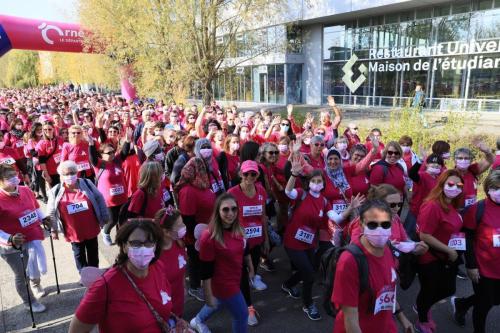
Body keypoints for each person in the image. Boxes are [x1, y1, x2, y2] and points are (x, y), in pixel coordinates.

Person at [69, 219, 180, 333]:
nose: (143, 249)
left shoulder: (158, 267)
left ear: (156, 245)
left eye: (149, 242)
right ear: (124, 246)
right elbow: (76, 330)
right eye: (135, 243)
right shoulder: (105, 286)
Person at [332, 200, 414, 333]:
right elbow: (350, 319)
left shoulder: (388, 248)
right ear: (361, 225)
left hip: (385, 326)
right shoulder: (349, 261)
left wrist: (401, 317)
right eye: (372, 224)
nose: (380, 230)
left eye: (385, 224)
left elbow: (387, 289)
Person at [190, 193, 253, 333]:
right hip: (223, 284)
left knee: (217, 302)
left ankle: (198, 320)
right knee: (242, 315)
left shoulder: (238, 227)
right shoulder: (209, 236)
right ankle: (198, 320)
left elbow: (245, 247)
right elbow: (206, 270)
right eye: (225, 209)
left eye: (234, 209)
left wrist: (251, 266)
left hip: (235, 277)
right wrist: (207, 294)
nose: (230, 213)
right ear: (218, 211)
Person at [415, 169, 465, 333]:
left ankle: (423, 305)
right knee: (429, 290)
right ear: (442, 184)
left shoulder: (452, 204)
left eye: (459, 185)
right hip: (431, 258)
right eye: (450, 184)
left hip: (448, 257)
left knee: (448, 289)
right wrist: (449, 250)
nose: (455, 188)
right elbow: (424, 234)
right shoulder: (432, 205)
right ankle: (422, 320)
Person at [451, 170, 500, 333]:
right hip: (484, 268)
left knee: (495, 299)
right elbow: (468, 237)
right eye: (496, 188)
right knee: (484, 304)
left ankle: (462, 304)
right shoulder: (477, 209)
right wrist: (471, 265)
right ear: (487, 189)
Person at [282, 164, 331, 321]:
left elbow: (336, 217)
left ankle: (288, 284)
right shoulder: (302, 194)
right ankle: (308, 304)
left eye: (319, 181)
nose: (317, 183)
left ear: (323, 184)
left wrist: (350, 208)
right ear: (308, 182)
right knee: (309, 275)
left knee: (308, 270)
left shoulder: (324, 201)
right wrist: (294, 175)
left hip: (309, 243)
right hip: (292, 242)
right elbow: (288, 191)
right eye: (314, 180)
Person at [0, 164, 48, 312]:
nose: (14, 179)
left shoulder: (26, 190)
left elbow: (36, 208)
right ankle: (29, 302)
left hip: (32, 235)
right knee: (21, 274)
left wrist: (44, 218)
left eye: (15, 175)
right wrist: (10, 239)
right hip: (11, 244)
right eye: (9, 177)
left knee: (34, 264)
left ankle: (35, 283)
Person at [47, 160, 108, 273]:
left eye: (72, 172)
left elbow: (99, 198)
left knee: (93, 251)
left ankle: (94, 273)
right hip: (73, 231)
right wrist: (53, 230)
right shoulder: (55, 191)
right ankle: (83, 274)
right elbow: (51, 212)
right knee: (78, 253)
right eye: (66, 174)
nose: (70, 176)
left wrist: (104, 216)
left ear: (77, 172)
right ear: (61, 176)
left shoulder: (87, 183)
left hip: (90, 227)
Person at [228, 160, 268, 326]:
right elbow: (227, 219)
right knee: (243, 275)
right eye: (246, 174)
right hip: (239, 244)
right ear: (240, 174)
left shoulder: (261, 191)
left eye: (253, 174)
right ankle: (248, 308)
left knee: (252, 270)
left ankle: (247, 286)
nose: (249, 177)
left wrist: (266, 238)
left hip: (256, 240)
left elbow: (263, 216)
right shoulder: (232, 193)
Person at [175, 152, 217, 303]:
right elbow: (187, 218)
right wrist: (194, 240)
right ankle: (194, 286)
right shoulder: (187, 191)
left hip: (208, 231)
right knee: (195, 261)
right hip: (196, 235)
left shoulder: (204, 183)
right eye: (198, 167)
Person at [88, 128, 131, 245]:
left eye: (113, 152)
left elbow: (124, 152)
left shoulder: (117, 161)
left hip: (122, 198)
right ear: (101, 155)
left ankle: (121, 239)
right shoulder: (99, 165)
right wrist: (91, 144)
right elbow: (92, 157)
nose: (112, 154)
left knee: (123, 220)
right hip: (109, 201)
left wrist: (127, 140)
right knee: (112, 220)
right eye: (109, 153)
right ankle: (106, 232)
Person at [155, 207, 187, 318]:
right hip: (163, 309)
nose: (183, 227)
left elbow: (181, 270)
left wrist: (183, 287)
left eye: (182, 223)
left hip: (179, 302)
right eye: (179, 226)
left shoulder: (179, 243)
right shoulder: (154, 256)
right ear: (166, 232)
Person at [453, 143, 493, 208]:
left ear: (471, 160)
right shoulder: (450, 175)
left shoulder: (472, 170)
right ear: (455, 160)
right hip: (457, 210)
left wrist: (487, 152)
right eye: (460, 158)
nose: (463, 160)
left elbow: (489, 160)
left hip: (472, 209)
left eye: (466, 158)